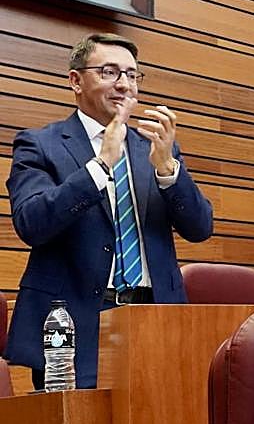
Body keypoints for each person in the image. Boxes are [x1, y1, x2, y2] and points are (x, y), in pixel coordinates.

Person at [4, 32, 212, 389]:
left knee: (160, 423)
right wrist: (100, 166)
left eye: (132, 75)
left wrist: (168, 170)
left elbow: (200, 227)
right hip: (74, 323)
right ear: (76, 81)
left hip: (155, 319)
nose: (124, 84)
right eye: (109, 72)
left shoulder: (155, 147)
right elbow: (32, 223)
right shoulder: (39, 144)